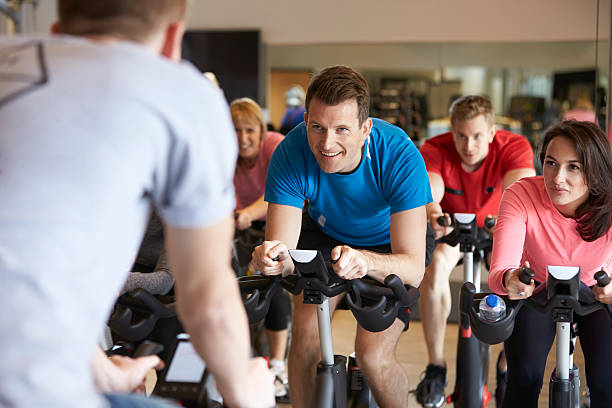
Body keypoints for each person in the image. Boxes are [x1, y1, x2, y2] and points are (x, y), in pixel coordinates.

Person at [0, 1, 274, 407]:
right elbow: (206, 299)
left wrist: (103, 369)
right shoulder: (183, 95)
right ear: (172, 40)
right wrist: (245, 392)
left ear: (58, 31)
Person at [251, 65, 433, 408]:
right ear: (305, 120)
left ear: (365, 129)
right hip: (325, 235)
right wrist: (271, 259)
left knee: (372, 356)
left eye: (341, 130)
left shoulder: (399, 155)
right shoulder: (290, 153)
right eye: (317, 127)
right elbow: (284, 253)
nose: (326, 143)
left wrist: (364, 260)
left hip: (388, 245)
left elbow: (412, 267)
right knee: (305, 342)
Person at [416, 95, 535, 407]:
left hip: (500, 227)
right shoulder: (434, 148)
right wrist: (433, 213)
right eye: (461, 136)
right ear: (451, 131)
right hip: (455, 229)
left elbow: (519, 192)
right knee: (437, 266)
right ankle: (436, 366)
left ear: (493, 131)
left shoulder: (514, 146)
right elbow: (431, 191)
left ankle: (506, 367)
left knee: (519, 279)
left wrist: (506, 227)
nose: (469, 146)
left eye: (478, 136)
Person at [488, 120, 612, 408]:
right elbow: (500, 272)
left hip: (596, 294)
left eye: (574, 167)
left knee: (606, 384)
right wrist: (512, 280)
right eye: (551, 163)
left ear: (594, 171)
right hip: (538, 292)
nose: (557, 178)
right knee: (524, 378)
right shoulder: (520, 195)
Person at [230, 97, 291, 398]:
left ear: (261, 130)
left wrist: (245, 214)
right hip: (240, 229)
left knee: (273, 285)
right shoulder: (227, 154)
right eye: (236, 131)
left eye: (249, 130)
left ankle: (278, 366)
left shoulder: (274, 144)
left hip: (282, 225)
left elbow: (277, 191)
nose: (243, 138)